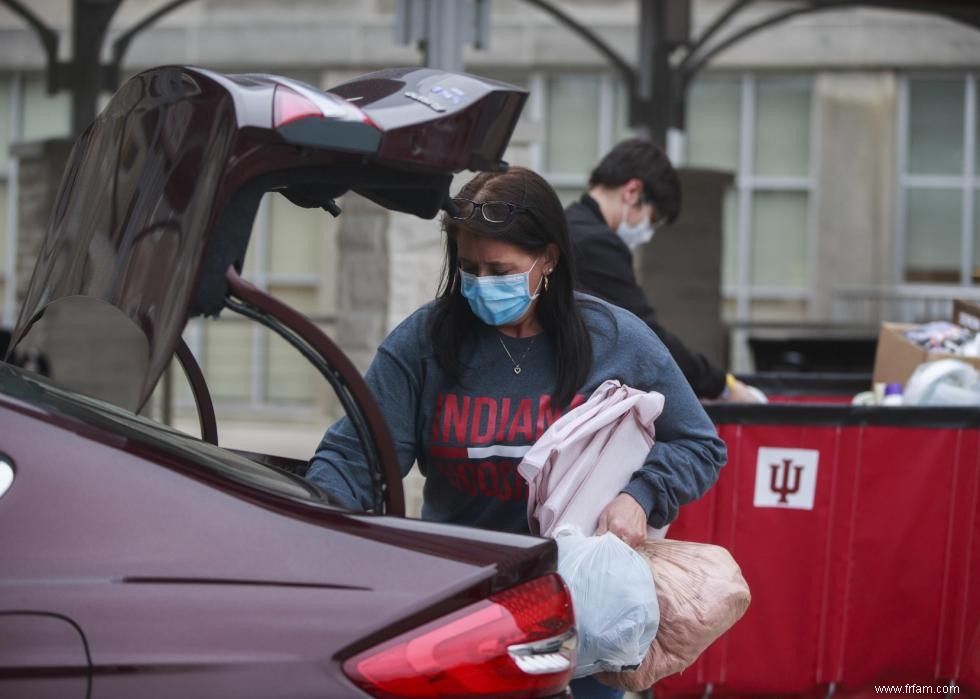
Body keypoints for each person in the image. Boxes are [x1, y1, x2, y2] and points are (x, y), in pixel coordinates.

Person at [307, 166, 727, 699]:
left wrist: (641, 496)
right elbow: (357, 454)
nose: (481, 284)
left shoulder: (616, 339)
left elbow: (699, 443)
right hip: (462, 610)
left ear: (548, 258)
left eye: (498, 269)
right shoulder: (426, 341)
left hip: (581, 616)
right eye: (468, 268)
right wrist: (316, 528)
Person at [566, 138, 762, 402]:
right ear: (633, 192)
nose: (647, 235)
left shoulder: (569, 224)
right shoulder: (596, 244)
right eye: (652, 219)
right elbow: (648, 338)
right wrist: (722, 385)